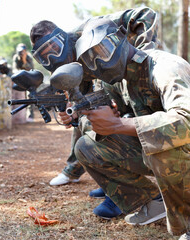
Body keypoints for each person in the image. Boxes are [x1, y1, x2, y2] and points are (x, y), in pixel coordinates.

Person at [65, 17, 190, 239]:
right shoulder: (117, 79)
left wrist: (118, 124)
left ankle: (187, 224)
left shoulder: (166, 68)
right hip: (165, 158)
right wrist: (82, 117)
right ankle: (152, 204)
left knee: (162, 148)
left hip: (180, 151)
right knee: (87, 145)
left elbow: (186, 121)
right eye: (91, 60)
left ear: (122, 38)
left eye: (103, 51)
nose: (100, 63)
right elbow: (113, 121)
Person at [30, 6, 160, 192]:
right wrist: (71, 113)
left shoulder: (87, 31)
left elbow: (144, 14)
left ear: (63, 37)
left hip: (126, 70)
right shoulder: (64, 69)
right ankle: (110, 177)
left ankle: (131, 180)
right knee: (88, 115)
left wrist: (145, 56)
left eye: (54, 48)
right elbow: (79, 104)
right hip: (103, 83)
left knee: (135, 117)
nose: (53, 57)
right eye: (45, 56)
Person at [12, 43, 35, 123]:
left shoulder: (28, 57)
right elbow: (14, 69)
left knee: (30, 98)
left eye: (23, 51)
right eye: (20, 51)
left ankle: (30, 116)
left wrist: (24, 60)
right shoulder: (16, 57)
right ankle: (19, 116)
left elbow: (31, 69)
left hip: (29, 79)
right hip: (20, 80)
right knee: (19, 98)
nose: (21, 53)